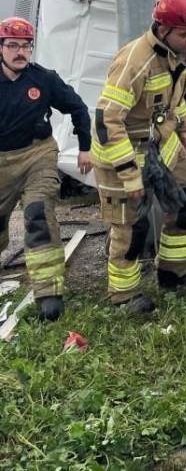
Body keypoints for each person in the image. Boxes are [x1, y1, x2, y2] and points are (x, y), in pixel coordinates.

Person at [91, 0, 186, 313]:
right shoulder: (134, 61)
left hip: (160, 142)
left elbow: (175, 95)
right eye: (185, 34)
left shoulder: (176, 53)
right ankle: (123, 296)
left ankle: (173, 272)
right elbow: (107, 120)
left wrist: (184, 126)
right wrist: (130, 176)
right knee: (133, 228)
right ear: (162, 30)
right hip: (123, 151)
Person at [0, 16, 92, 321]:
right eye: (12, 45)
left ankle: (48, 292)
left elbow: (78, 107)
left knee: (38, 213)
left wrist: (85, 147)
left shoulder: (43, 79)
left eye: (26, 45)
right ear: (1, 48)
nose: (20, 52)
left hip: (37, 155)